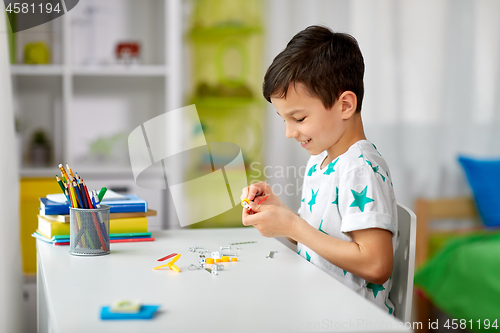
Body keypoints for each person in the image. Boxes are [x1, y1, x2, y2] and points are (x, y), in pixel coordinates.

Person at [241, 25, 398, 314]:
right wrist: (281, 214)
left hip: (352, 319)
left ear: (345, 105)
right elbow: (319, 237)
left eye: (298, 118)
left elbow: (377, 265)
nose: (289, 132)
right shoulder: (321, 161)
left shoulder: (359, 168)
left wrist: (293, 226)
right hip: (318, 307)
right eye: (283, 119)